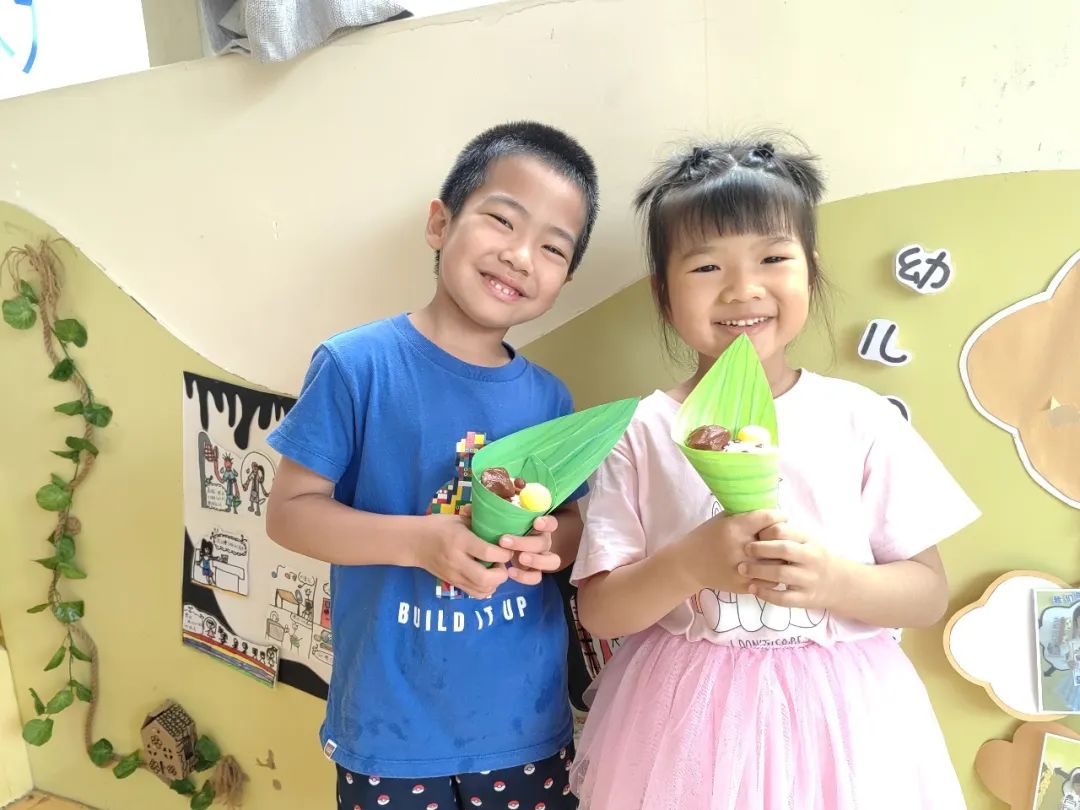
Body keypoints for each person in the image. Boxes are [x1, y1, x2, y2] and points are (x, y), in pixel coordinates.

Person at [569, 137, 979, 809]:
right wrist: (691, 562)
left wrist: (833, 581)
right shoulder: (641, 430)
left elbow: (928, 593)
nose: (743, 288)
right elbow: (601, 609)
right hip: (685, 722)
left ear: (809, 273)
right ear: (663, 294)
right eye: (707, 266)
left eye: (773, 258)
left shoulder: (860, 417)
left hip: (845, 722)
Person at [265, 121, 599, 810]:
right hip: (389, 727)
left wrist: (550, 543)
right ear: (440, 224)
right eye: (502, 220)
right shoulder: (356, 365)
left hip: (525, 725)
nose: (520, 255)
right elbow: (289, 515)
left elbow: (571, 526)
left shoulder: (550, 399)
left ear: (565, 278)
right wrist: (420, 542)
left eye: (552, 247)